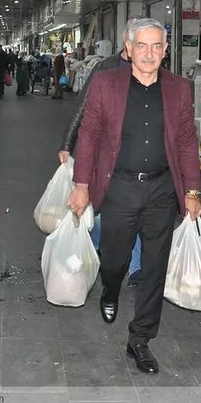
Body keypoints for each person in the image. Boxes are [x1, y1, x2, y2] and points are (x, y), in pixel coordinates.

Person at [68, 18, 201, 375]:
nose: (149, 54)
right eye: (141, 46)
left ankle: (140, 339)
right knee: (114, 258)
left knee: (155, 266)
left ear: (166, 50)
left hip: (161, 188)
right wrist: (81, 185)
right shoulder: (106, 83)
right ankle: (110, 289)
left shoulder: (179, 89)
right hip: (119, 187)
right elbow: (90, 134)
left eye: (157, 46)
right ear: (127, 49)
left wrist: (191, 190)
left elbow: (188, 141)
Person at [59, 18, 142, 286]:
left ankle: (136, 265)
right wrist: (67, 144)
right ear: (127, 43)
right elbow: (82, 108)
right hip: (107, 154)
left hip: (138, 155)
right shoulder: (105, 69)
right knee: (104, 209)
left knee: (135, 210)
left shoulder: (151, 69)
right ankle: (94, 248)